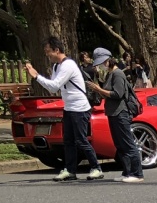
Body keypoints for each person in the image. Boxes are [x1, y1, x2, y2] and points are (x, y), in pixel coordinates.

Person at [25, 36, 102, 181]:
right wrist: (38, 77)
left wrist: (36, 76)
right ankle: (70, 170)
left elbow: (54, 86)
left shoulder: (68, 65)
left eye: (48, 51)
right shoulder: (57, 66)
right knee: (68, 141)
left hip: (80, 108)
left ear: (57, 50)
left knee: (81, 140)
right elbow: (54, 88)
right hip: (69, 108)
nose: (47, 55)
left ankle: (96, 168)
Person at [86, 49, 144, 182]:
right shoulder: (109, 75)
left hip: (121, 112)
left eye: (102, 63)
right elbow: (106, 94)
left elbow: (118, 94)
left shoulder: (118, 74)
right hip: (113, 113)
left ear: (108, 60)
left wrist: (99, 89)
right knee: (119, 144)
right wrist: (98, 88)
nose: (100, 66)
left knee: (128, 143)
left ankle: (137, 173)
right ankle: (127, 172)